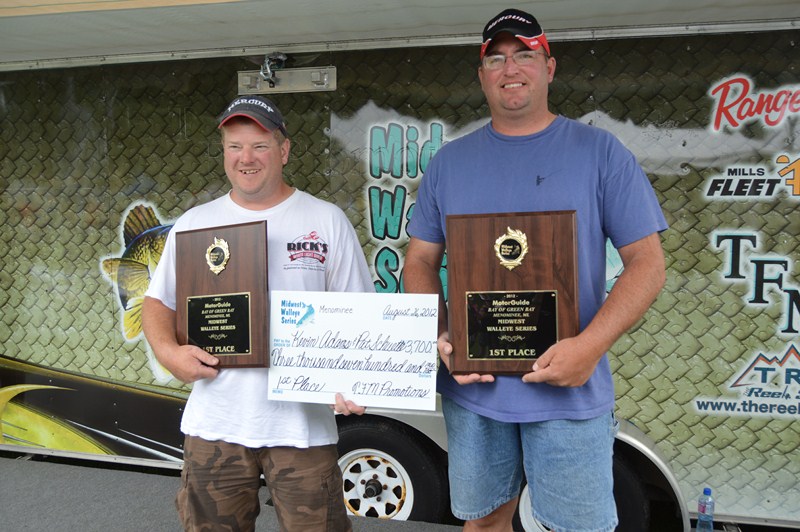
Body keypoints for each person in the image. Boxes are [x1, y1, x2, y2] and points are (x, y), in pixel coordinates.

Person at [404, 8, 667, 532]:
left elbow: (648, 264)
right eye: (496, 59)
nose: (510, 68)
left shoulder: (601, 153)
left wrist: (588, 348)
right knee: (483, 524)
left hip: (569, 392)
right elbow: (419, 262)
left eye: (524, 55)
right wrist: (440, 332)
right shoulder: (449, 163)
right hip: (473, 390)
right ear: (482, 75)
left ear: (549, 67)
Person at [142, 95, 373, 531]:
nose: (245, 158)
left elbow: (359, 313)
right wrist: (169, 354)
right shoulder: (195, 224)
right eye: (234, 146)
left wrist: (354, 379)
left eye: (259, 146)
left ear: (284, 150)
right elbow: (157, 303)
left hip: (302, 428)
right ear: (224, 153)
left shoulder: (326, 220)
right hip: (216, 424)